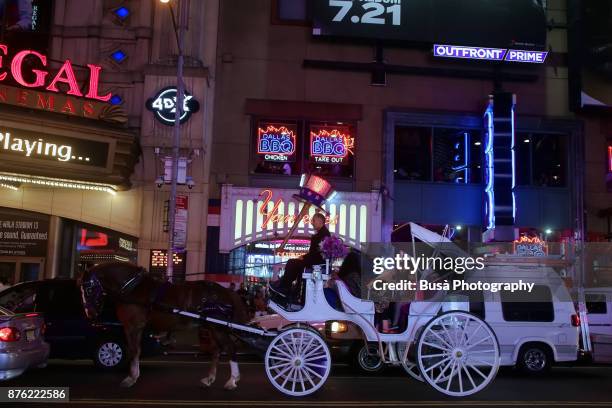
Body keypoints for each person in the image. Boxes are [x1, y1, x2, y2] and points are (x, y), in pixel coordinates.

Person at [272, 212, 330, 297]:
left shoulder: (323, 235)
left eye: (313, 220)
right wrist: (303, 257)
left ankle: (285, 287)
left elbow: (316, 253)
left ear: (319, 221)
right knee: (294, 263)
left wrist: (304, 258)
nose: (312, 223)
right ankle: (288, 287)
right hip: (315, 261)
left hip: (316, 263)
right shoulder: (323, 233)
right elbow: (314, 252)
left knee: (291, 262)